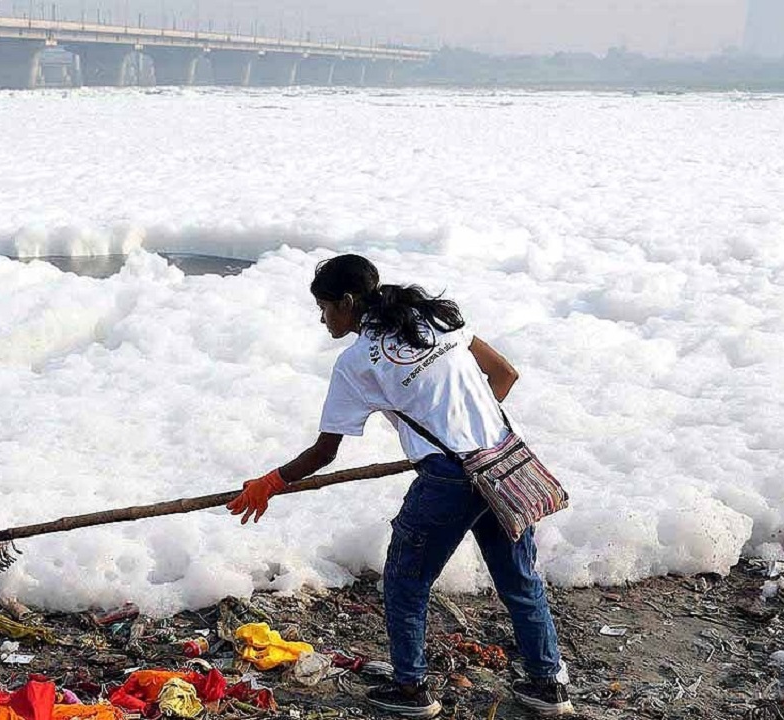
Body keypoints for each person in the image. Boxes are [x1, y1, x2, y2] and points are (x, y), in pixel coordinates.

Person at [226, 254, 573, 718]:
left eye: (326, 308)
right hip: (502, 461)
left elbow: (325, 452)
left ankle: (412, 691)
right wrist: (463, 427)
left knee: (406, 581)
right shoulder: (433, 319)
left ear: (348, 303)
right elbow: (504, 375)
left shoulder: (356, 362)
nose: (323, 319)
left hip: (449, 478)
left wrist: (271, 481)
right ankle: (548, 686)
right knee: (519, 578)